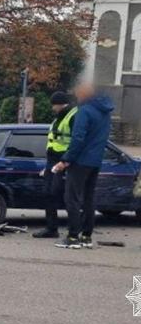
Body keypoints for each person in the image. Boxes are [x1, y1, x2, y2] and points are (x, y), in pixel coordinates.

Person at [53, 83, 114, 249]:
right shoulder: (104, 112)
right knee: (88, 198)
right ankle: (86, 236)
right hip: (95, 162)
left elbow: (78, 139)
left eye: (78, 94)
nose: (76, 96)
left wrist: (66, 160)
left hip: (80, 161)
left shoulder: (84, 111)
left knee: (72, 198)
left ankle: (73, 237)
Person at [32, 91, 78, 239]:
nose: (52, 108)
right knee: (48, 193)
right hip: (52, 160)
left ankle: (72, 232)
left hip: (64, 161)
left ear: (60, 104)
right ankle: (51, 228)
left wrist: (65, 162)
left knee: (61, 195)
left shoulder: (72, 116)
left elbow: (76, 142)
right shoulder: (58, 117)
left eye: (54, 105)